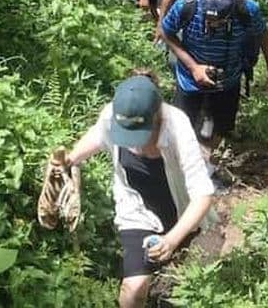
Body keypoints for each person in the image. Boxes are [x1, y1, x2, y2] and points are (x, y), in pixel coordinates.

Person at [61, 72, 214, 308]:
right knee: (133, 288)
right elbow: (95, 138)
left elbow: (203, 194)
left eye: (139, 133)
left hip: (181, 211)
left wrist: (171, 240)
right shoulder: (113, 116)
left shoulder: (177, 125)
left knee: (190, 280)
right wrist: (68, 161)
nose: (133, 142)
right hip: (138, 211)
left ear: (156, 116)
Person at [160, 0, 268, 179]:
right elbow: (166, 31)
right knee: (182, 123)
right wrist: (194, 67)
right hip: (190, 79)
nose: (212, 25)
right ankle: (177, 168)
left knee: (221, 125)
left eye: (218, 22)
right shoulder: (187, 5)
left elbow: (264, 37)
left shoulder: (247, 10)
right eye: (208, 20)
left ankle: (207, 165)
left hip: (229, 78)